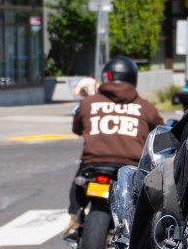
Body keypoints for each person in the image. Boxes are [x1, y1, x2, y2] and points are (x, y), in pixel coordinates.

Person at [66, 56, 164, 235]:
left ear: (106, 77)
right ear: (132, 78)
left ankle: (75, 217)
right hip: (130, 167)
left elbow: (76, 128)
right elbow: (160, 134)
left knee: (78, 185)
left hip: (93, 164)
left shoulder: (89, 103)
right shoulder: (145, 107)